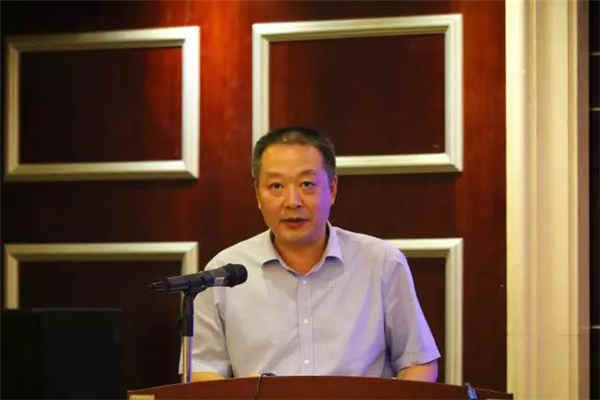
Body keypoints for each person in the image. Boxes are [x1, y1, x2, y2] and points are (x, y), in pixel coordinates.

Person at [187, 126, 440, 382]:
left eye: (307, 184)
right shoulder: (224, 272)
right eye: (276, 186)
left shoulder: (381, 262)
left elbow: (418, 362)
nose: (292, 201)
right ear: (258, 195)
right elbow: (201, 369)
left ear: (332, 189)